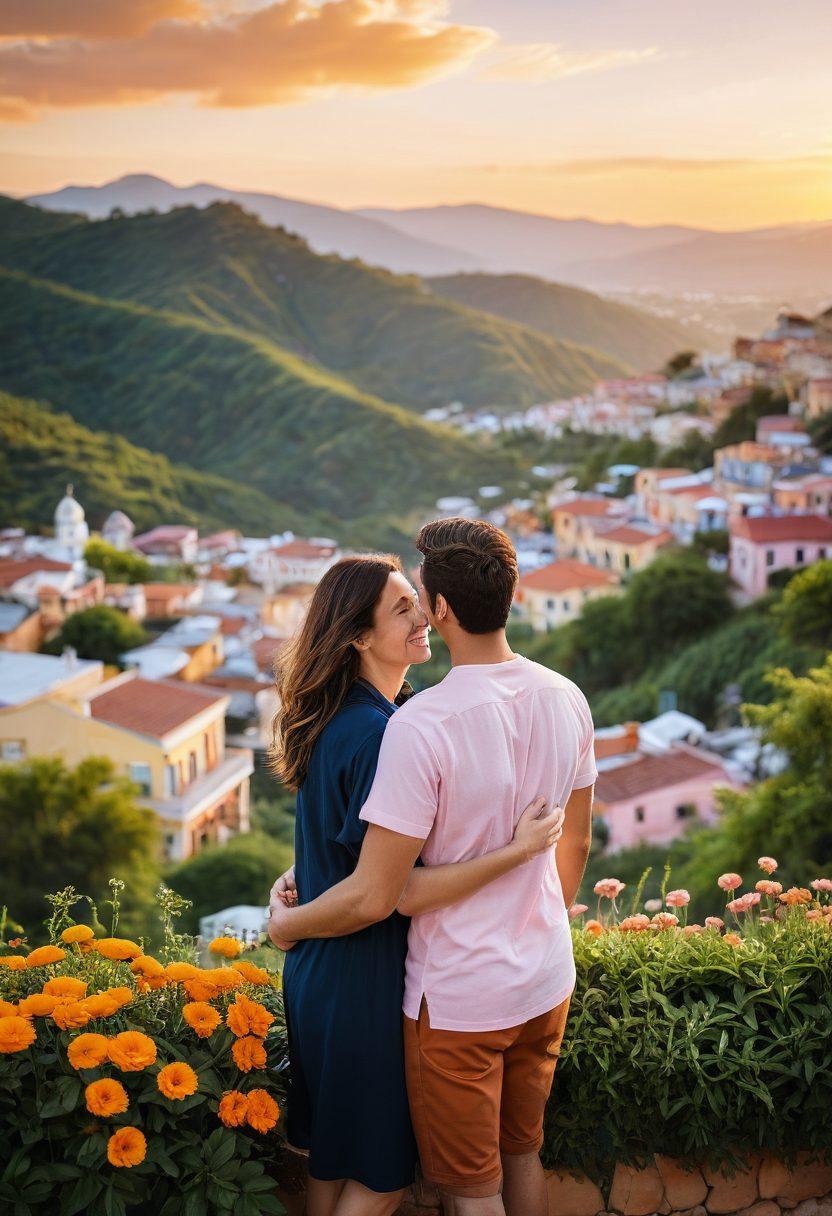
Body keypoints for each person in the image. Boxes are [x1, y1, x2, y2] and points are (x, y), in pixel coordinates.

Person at [269, 519, 596, 1216]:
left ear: (443, 607)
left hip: (453, 991)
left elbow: (389, 891)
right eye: (402, 607)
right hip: (528, 974)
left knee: (445, 1183)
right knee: (515, 1154)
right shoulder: (564, 696)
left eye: (417, 599)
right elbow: (576, 844)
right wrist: (530, 913)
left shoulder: (410, 724)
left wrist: (288, 922)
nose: (418, 614)